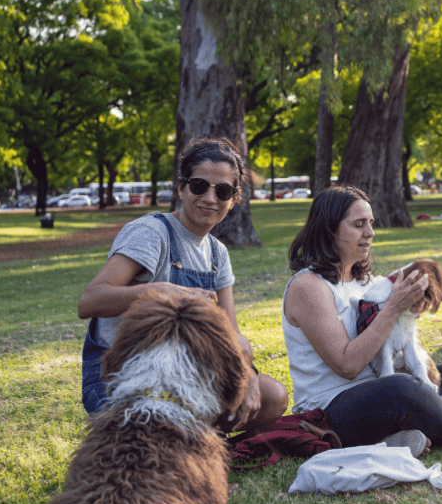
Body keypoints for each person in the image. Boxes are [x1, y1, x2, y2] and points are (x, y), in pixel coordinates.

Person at [282, 185, 442, 448]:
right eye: (359, 225)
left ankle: (409, 433)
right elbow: (347, 365)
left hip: (384, 389)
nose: (370, 233)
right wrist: (392, 308)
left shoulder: (365, 281)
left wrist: (412, 308)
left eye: (371, 223)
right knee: (402, 389)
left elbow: (398, 342)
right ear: (329, 229)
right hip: (332, 407)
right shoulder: (308, 286)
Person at [78, 137, 289, 430]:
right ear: (181, 187)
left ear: (234, 198)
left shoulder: (217, 253)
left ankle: (197, 439)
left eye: (224, 191)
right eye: (199, 185)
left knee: (273, 397)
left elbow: (231, 333)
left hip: (187, 373)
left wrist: (249, 374)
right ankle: (184, 439)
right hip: (122, 377)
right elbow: (90, 301)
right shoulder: (151, 233)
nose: (210, 198)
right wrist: (163, 292)